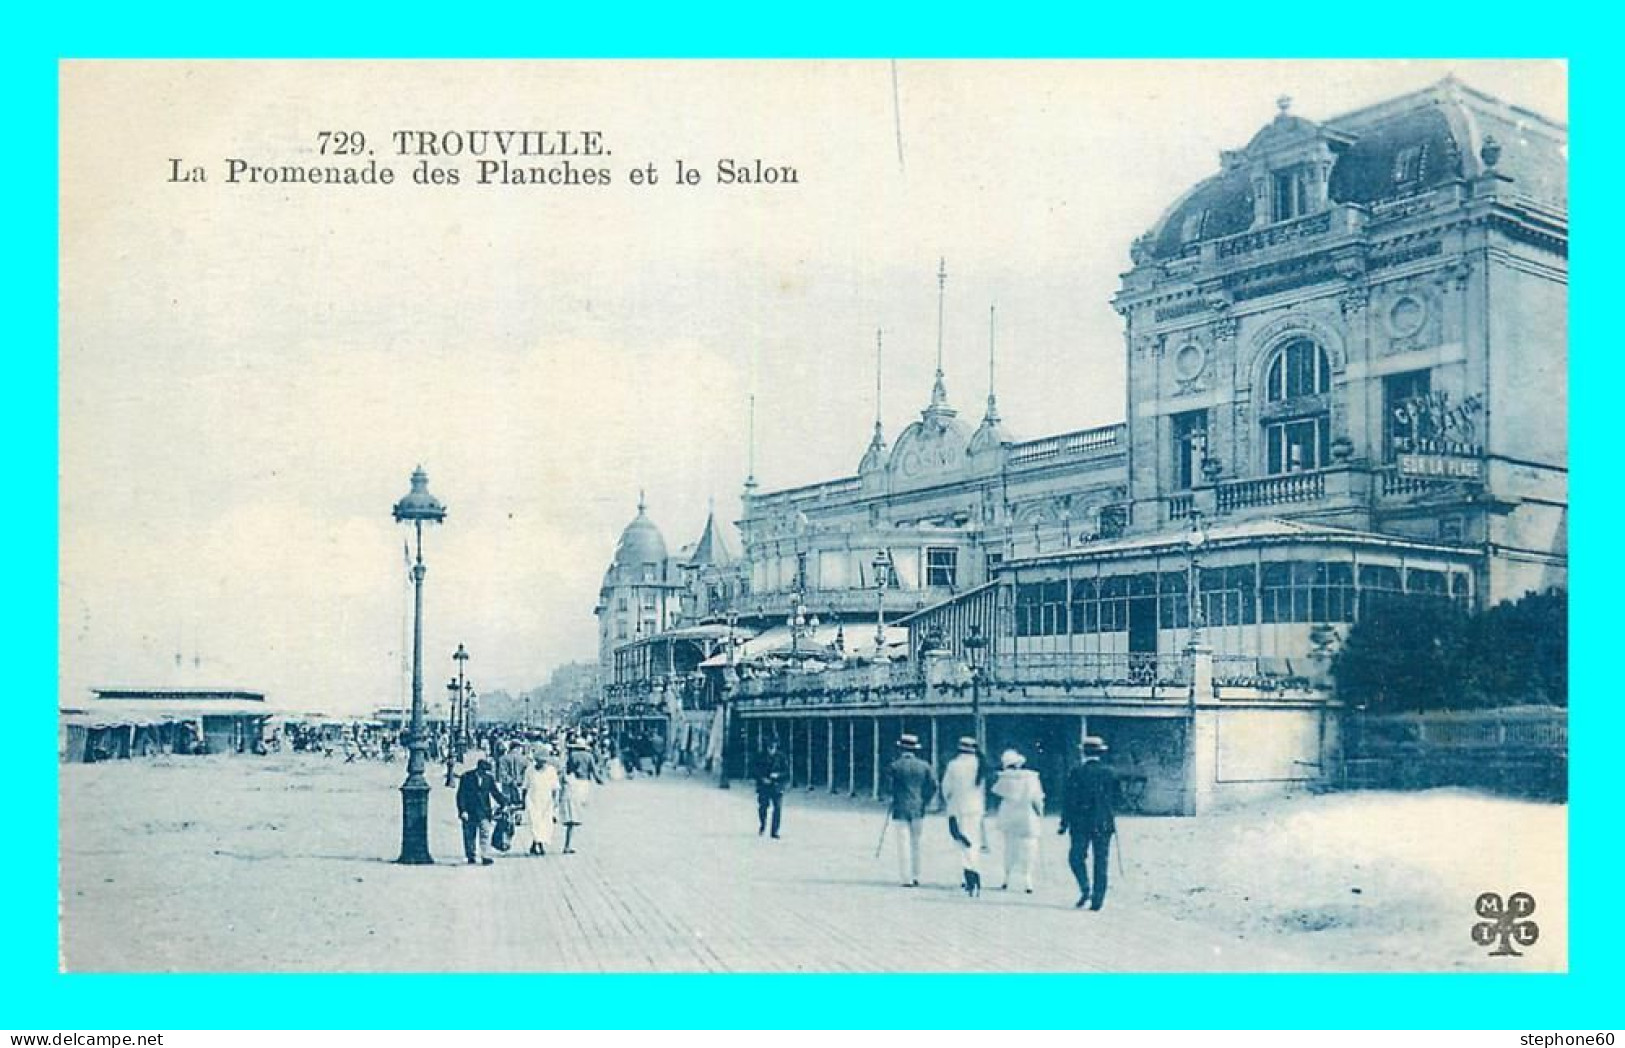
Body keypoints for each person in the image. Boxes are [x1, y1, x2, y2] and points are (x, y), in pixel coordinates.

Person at [1060, 735, 1118, 911]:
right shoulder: (1110, 772)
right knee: (1101, 861)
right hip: (1103, 823)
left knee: (1076, 857)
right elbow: (1118, 799)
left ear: (1083, 753)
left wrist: (1064, 823)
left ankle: (1085, 887)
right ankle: (1097, 901)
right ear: (1101, 753)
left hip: (1080, 823)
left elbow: (1068, 800)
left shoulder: (1076, 772)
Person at [885, 733, 938, 887]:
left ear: (901, 748)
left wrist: (894, 796)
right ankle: (917, 875)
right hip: (918, 807)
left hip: (900, 807)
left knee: (903, 843)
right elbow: (934, 785)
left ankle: (905, 878)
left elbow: (889, 788)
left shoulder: (894, 766)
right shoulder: (925, 766)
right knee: (916, 842)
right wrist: (925, 800)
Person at [992, 749, 1045, 893]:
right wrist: (1040, 813)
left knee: (1009, 848)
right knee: (1029, 848)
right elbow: (1037, 798)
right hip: (1027, 816)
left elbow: (998, 793)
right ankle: (1028, 880)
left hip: (1009, 816)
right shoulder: (1031, 777)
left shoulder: (1003, 778)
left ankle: (1006, 878)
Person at [940, 736, 987, 897]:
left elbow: (946, 788)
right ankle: (975, 871)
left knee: (961, 842)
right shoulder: (980, 765)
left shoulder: (953, 765)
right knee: (974, 842)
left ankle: (970, 875)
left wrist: (948, 801)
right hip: (976, 808)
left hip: (958, 808)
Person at [455, 758, 503, 866]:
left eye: (486, 771)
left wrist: (504, 803)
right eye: (483, 771)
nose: (484, 773)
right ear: (478, 769)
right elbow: (460, 795)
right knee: (469, 835)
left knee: (485, 833)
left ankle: (485, 856)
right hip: (469, 811)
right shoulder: (466, 777)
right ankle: (471, 855)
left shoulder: (489, 779)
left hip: (484, 811)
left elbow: (495, 792)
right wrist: (462, 810)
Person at [558, 743, 595, 854]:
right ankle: (568, 845)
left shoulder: (571, 757)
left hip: (571, 787)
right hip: (583, 783)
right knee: (576, 814)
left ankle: (568, 844)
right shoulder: (588, 756)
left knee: (571, 817)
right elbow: (593, 770)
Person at [524, 750, 561, 856]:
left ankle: (537, 844)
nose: (541, 763)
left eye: (543, 761)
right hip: (532, 800)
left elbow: (555, 787)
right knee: (534, 822)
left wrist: (555, 801)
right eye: (539, 761)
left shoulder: (551, 771)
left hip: (546, 801)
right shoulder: (530, 770)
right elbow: (525, 786)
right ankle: (538, 845)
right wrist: (523, 801)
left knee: (545, 823)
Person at [752, 736, 791, 838]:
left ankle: (774, 831)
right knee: (763, 807)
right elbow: (755, 770)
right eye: (769, 747)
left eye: (773, 747)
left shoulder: (781, 757)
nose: (771, 749)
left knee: (777, 808)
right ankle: (763, 825)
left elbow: (787, 772)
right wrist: (762, 778)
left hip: (777, 786)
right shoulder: (761, 756)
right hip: (764, 787)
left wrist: (778, 775)